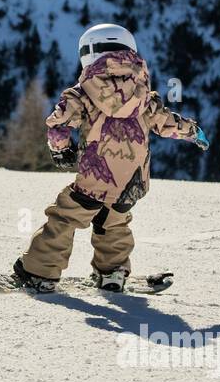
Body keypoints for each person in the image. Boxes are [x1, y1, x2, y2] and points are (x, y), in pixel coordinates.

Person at [12, 23, 209, 292]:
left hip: (96, 175)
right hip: (133, 181)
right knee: (113, 221)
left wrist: (60, 149)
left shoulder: (81, 93)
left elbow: (58, 123)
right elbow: (167, 123)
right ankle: (112, 273)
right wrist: (194, 132)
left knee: (65, 217)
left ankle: (40, 272)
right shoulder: (144, 96)